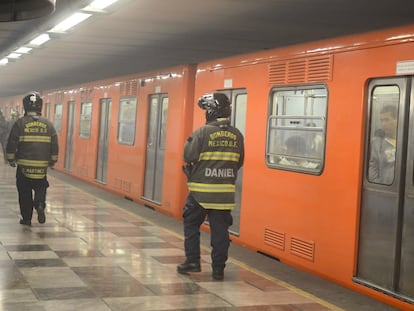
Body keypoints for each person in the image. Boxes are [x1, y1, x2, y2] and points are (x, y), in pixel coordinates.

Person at [177, 92, 244, 280]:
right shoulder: (237, 135)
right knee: (220, 232)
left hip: (200, 192)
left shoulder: (202, 132)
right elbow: (239, 162)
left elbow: (188, 156)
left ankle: (192, 261)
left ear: (212, 111)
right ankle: (218, 269)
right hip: (224, 194)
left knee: (191, 224)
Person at [6, 92, 59, 226]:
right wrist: (52, 160)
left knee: (24, 193)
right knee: (41, 187)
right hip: (41, 167)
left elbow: (12, 142)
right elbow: (54, 144)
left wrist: (11, 159)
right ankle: (40, 204)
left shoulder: (20, 123)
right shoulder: (48, 124)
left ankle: (26, 218)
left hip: (24, 167)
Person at [368, 105, 397, 185]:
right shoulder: (377, 143)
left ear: (397, 120)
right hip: (385, 189)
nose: (383, 124)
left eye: (387, 120)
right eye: (382, 120)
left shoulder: (407, 141)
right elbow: (372, 169)